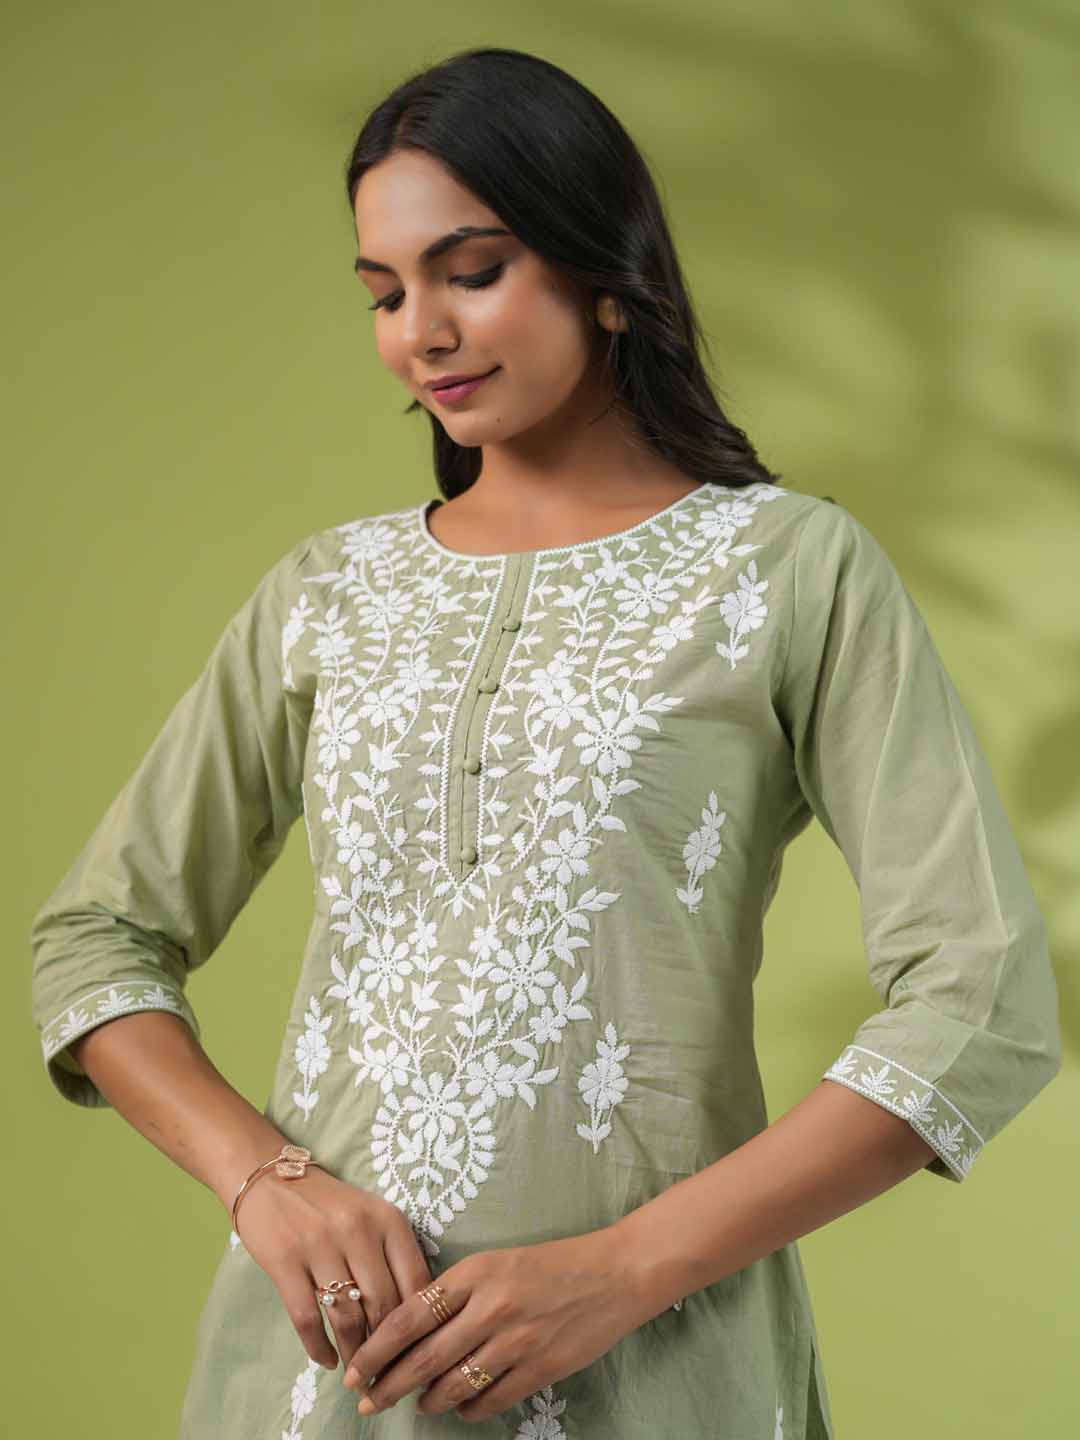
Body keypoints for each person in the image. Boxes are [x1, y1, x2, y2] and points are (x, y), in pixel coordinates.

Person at [29, 46, 1062, 1440]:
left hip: (658, 1365)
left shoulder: (785, 570)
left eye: (471, 272)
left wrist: (621, 1271)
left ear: (605, 273)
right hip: (327, 1374)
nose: (422, 332)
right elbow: (94, 942)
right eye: (385, 294)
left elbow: (982, 998)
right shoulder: (330, 593)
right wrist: (264, 1182)